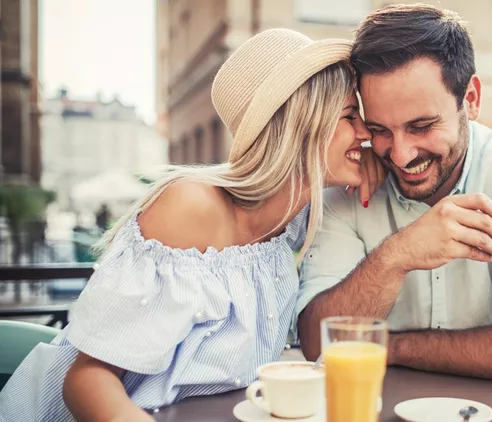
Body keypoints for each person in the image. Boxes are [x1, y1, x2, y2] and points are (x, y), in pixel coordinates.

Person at [0, 29, 385, 421]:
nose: (366, 133)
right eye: (350, 117)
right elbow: (86, 381)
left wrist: (378, 162)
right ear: (301, 124)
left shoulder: (296, 215)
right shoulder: (189, 207)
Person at [296, 4, 492, 385]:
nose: (400, 154)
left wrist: (388, 347)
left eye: (421, 126)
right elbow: (319, 345)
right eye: (380, 129)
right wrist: (397, 255)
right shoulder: (350, 184)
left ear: (471, 100)